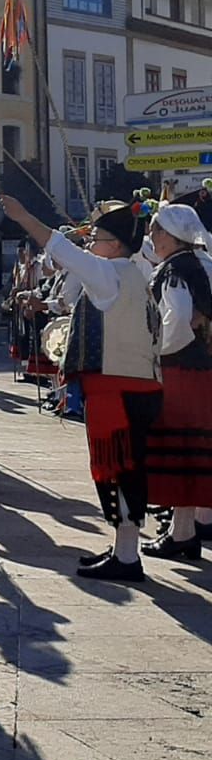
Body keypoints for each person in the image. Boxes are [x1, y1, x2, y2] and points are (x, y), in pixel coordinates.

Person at [0, 192, 161, 582]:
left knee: (119, 470)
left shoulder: (109, 273)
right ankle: (125, 549)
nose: (90, 244)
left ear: (117, 244)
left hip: (117, 391)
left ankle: (127, 557)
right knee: (126, 470)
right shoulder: (133, 273)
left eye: (97, 238)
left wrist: (24, 217)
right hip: (135, 386)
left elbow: (59, 246)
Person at [142, 203, 212, 560]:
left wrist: (155, 354)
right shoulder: (204, 263)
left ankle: (182, 534)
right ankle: (187, 527)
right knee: (194, 451)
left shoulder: (173, 270)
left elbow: (178, 319)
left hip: (182, 369)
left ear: (170, 235)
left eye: (155, 230)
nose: (151, 236)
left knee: (180, 450)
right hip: (203, 368)